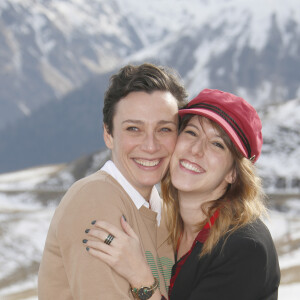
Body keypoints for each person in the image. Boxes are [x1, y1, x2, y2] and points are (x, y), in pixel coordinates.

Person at [84, 89, 281, 300]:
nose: (196, 150)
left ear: (233, 173)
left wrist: (140, 277)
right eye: (192, 132)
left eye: (217, 144)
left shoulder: (243, 249)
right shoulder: (172, 226)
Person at [38, 63, 187, 299]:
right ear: (108, 134)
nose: (150, 145)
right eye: (134, 129)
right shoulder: (95, 199)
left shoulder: (165, 214)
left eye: (164, 129)